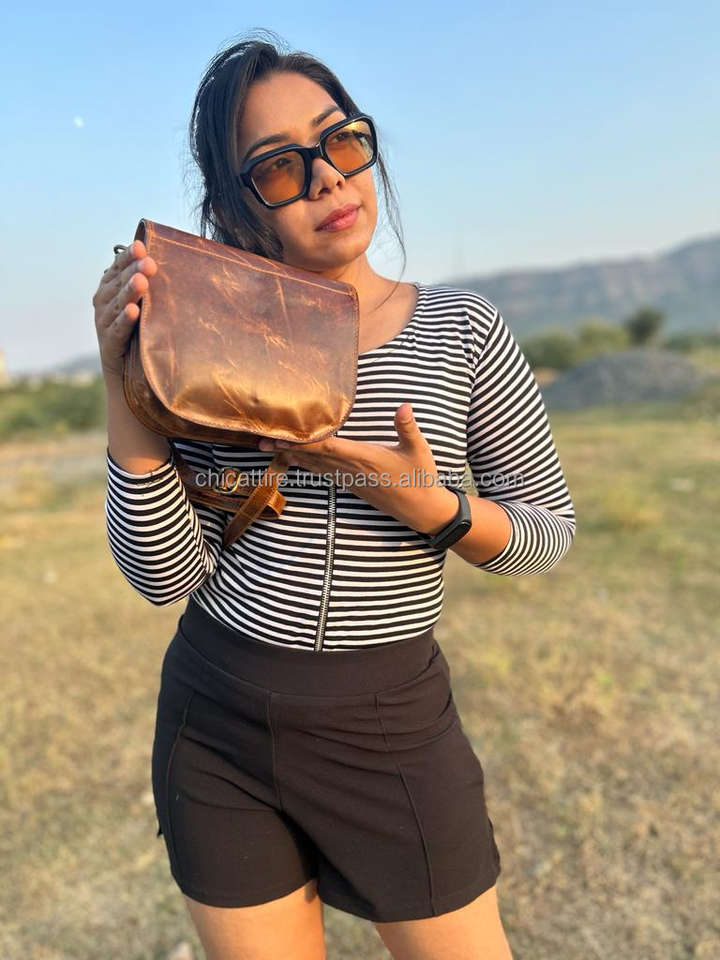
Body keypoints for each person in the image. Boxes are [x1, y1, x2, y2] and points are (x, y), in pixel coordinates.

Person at [93, 31, 575, 960]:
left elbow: (546, 532)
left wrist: (429, 506)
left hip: (391, 726)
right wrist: (124, 377)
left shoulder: (461, 330)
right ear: (236, 204)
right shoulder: (202, 349)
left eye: (341, 140)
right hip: (217, 720)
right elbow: (164, 576)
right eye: (278, 166)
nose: (325, 178)